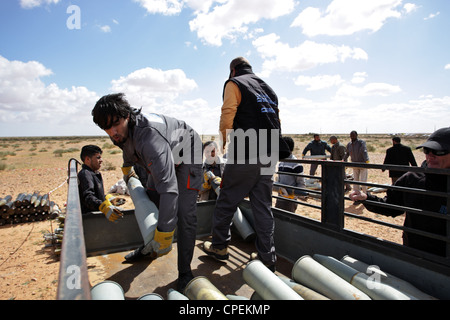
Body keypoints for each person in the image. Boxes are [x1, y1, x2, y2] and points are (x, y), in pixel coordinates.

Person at [91, 93, 203, 292]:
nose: (113, 131)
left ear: (126, 115)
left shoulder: (149, 137)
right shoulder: (124, 131)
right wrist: (126, 167)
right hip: (163, 148)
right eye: (107, 128)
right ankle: (148, 246)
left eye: (116, 124)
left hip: (186, 150)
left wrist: (165, 233)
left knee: (185, 213)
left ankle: (185, 272)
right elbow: (127, 146)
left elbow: (170, 189)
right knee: (149, 197)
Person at [202, 57, 285, 271]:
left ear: (233, 70)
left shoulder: (235, 83)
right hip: (269, 152)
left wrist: (223, 142)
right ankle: (267, 257)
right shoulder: (268, 88)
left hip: (246, 151)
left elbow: (227, 113)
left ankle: (219, 247)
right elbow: (277, 120)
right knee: (263, 206)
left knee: (227, 199)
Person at [350, 127, 450, 256]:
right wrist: (366, 198)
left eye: (439, 151)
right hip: (413, 253)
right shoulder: (412, 179)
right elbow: (391, 206)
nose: (430, 155)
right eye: (427, 150)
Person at [275, 136, 307, 213]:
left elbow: (301, 183)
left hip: (290, 200)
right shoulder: (281, 162)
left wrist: (293, 195)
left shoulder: (295, 163)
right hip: (280, 198)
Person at [78, 145, 107, 214]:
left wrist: (107, 198)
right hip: (92, 218)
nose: (101, 160)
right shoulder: (86, 174)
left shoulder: (94, 173)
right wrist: (103, 206)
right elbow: (88, 197)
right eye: (98, 158)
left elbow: (96, 195)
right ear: (88, 159)